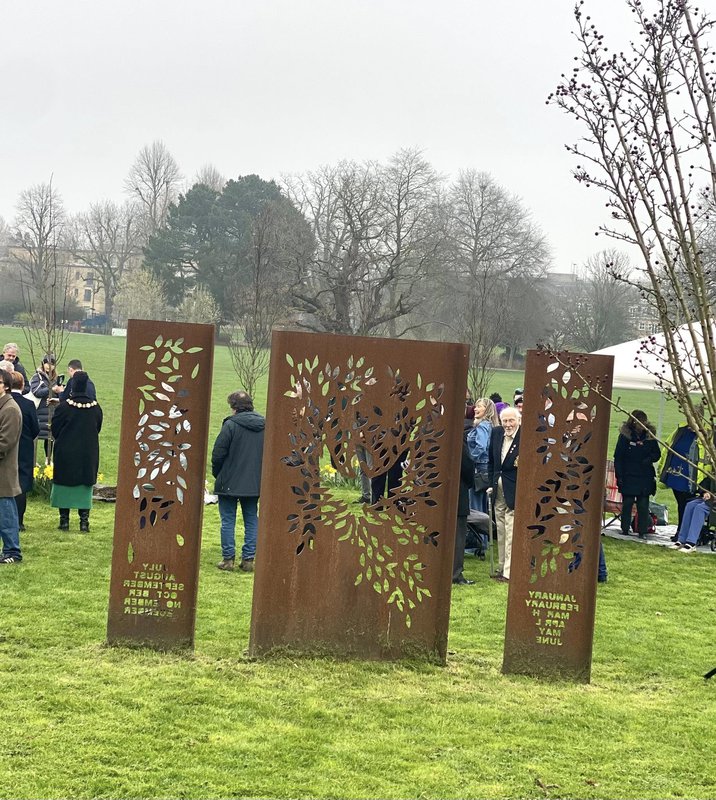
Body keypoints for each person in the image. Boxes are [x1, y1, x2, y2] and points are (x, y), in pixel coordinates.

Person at [211, 391, 265, 572]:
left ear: (234, 407)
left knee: (228, 521)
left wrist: (218, 474)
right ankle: (248, 559)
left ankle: (228, 560)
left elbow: (218, 453)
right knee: (251, 519)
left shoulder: (230, 425)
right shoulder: (265, 425)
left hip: (229, 481)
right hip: (254, 483)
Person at [50, 371, 103, 532]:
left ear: (72, 386)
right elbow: (98, 428)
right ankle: (83, 522)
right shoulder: (95, 408)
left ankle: (64, 521)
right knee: (84, 483)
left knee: (65, 482)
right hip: (87, 452)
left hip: (66, 452)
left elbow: (55, 429)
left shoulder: (64, 407)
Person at [614, 409, 661, 538]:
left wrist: (649, 459)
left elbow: (657, 454)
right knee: (628, 502)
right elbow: (618, 456)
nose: (642, 425)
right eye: (639, 422)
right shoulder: (625, 436)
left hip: (644, 474)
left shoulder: (649, 436)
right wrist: (619, 475)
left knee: (643, 504)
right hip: (628, 473)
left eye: (644, 422)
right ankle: (624, 528)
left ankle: (642, 530)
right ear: (633, 422)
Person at [488, 406, 521, 582]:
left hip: (513, 489)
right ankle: (501, 567)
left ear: (518, 421)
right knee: (500, 528)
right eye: (505, 421)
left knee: (511, 529)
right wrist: (490, 483)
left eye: (511, 421)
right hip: (497, 489)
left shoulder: (524, 436)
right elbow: (491, 461)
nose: (508, 424)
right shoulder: (496, 433)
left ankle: (509, 571)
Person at [657, 419, 704, 541]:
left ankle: (687, 533)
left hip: (693, 477)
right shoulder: (680, 431)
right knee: (681, 504)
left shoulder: (704, 434)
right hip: (677, 475)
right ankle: (681, 532)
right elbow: (667, 448)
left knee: (688, 505)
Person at [10, 372, 39, 532]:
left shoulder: (4, 403)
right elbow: (35, 428)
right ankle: (19, 521)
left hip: (7, 447)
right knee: (21, 483)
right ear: (22, 385)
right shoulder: (28, 405)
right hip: (24, 447)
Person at [0, 368, 23, 564]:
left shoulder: (10, 409)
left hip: (3, 472)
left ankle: (12, 552)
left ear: (6, 386)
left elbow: (5, 443)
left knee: (6, 513)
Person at [467, 397, 500, 513]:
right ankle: (483, 531)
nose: (475, 409)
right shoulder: (490, 425)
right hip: (486, 469)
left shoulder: (482, 426)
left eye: (479, 406)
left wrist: (470, 458)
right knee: (484, 503)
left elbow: (481, 446)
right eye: (476, 406)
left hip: (479, 468)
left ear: (487, 409)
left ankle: (476, 531)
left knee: (475, 505)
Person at [453, 428, 477, 586]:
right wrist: (469, 482)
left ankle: (429, 569)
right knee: (457, 534)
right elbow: (466, 463)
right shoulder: (455, 433)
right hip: (456, 489)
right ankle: (455, 573)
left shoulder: (426, 429)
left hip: (432, 490)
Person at [30, 353, 63, 462]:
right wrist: (51, 389)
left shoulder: (57, 378)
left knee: (50, 437)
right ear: (43, 364)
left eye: (52, 363)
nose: (49, 366)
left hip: (52, 411)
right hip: (39, 411)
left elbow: (60, 395)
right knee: (35, 436)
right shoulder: (37, 377)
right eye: (46, 363)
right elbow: (36, 392)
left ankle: (48, 459)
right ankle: (33, 460)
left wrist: (60, 391)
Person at [670, 477, 714, 552]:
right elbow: (703, 485)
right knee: (690, 505)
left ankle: (691, 542)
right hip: (709, 499)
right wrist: (705, 492)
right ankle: (682, 540)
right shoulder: (712, 475)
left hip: (712, 502)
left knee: (700, 508)